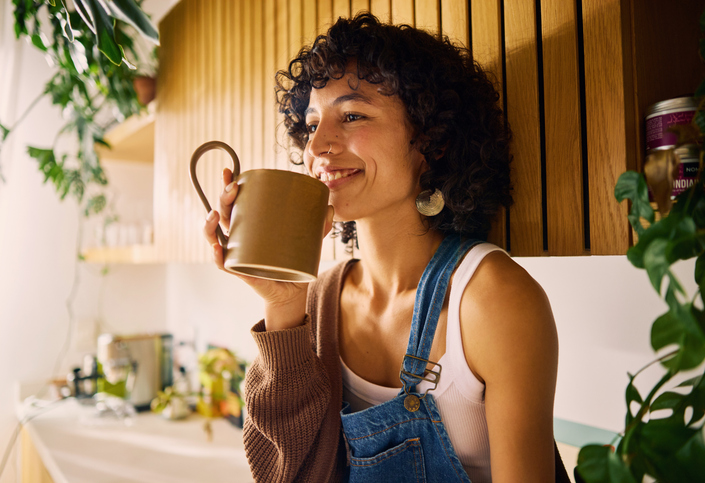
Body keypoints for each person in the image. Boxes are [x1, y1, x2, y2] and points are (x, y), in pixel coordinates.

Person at [203, 13, 565, 483]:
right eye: (311, 125)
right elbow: (284, 474)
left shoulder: (492, 299)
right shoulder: (320, 298)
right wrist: (284, 305)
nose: (318, 146)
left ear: (431, 142)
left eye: (352, 116)